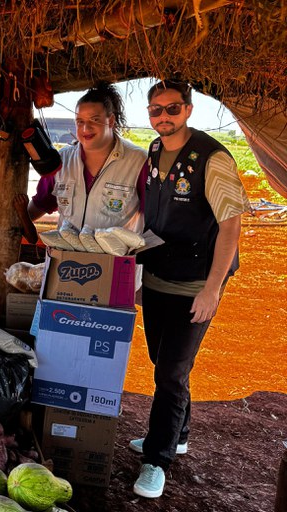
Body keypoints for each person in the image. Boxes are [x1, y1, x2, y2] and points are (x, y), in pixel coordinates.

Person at [130, 79, 249, 499]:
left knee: (171, 373)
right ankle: (178, 434)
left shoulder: (212, 158)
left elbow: (231, 224)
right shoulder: (155, 151)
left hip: (196, 283)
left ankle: (156, 459)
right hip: (160, 276)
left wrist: (212, 290)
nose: (164, 117)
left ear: (188, 109)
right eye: (156, 110)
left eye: (172, 108)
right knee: (163, 362)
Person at [27, 83, 148, 232]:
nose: (86, 128)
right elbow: (41, 203)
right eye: (80, 122)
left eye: (94, 120)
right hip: (64, 254)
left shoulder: (138, 161)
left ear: (110, 121)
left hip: (113, 254)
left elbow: (150, 216)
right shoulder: (62, 160)